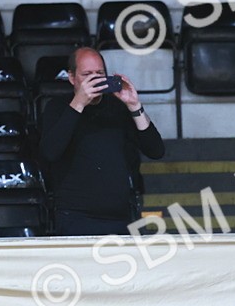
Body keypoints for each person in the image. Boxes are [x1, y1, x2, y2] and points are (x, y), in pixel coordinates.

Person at [39, 47, 165, 236]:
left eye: (99, 73)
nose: (95, 80)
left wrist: (134, 105)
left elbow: (156, 150)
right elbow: (50, 152)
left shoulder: (117, 107)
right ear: (72, 78)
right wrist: (79, 103)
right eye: (87, 75)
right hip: (75, 216)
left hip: (119, 216)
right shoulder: (58, 107)